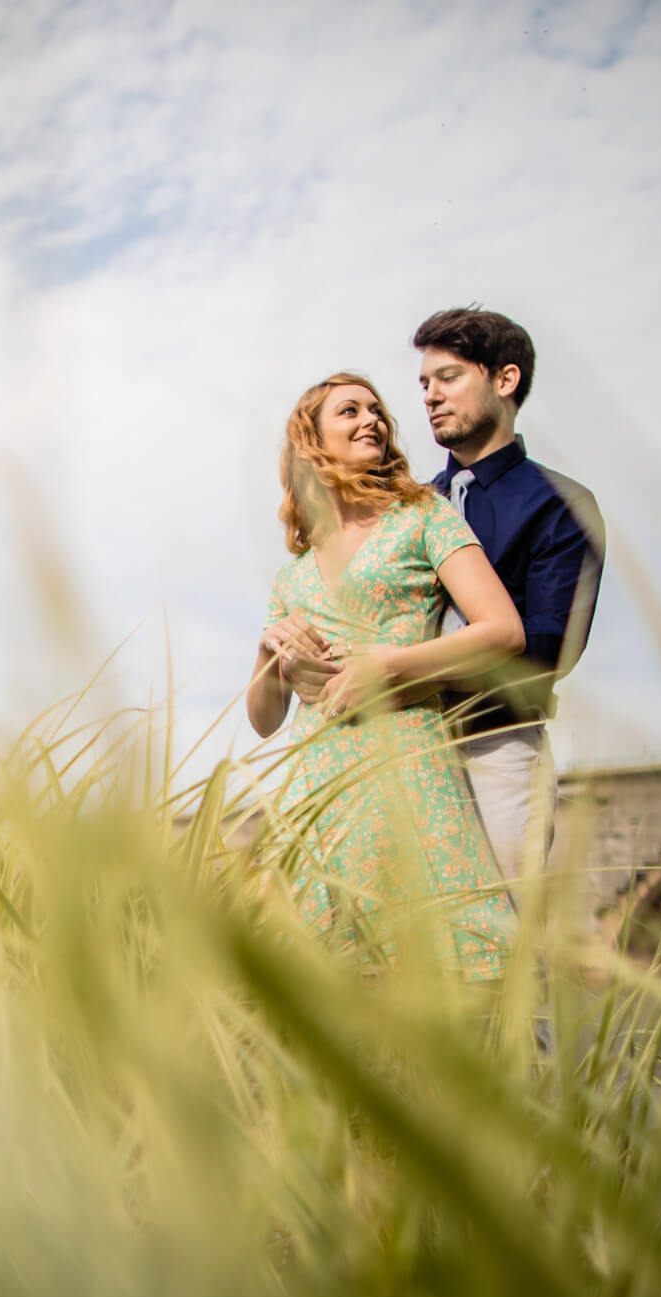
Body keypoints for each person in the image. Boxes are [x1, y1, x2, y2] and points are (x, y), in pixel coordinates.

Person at [247, 373, 526, 982]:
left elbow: (504, 631)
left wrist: (388, 665)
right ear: (311, 441)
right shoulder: (291, 575)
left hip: (407, 763)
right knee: (330, 983)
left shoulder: (423, 517)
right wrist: (268, 650)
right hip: (316, 784)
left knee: (451, 975)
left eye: (376, 410)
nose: (372, 419)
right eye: (350, 411)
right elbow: (266, 720)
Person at [414, 308, 605, 880]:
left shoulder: (562, 503)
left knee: (506, 939)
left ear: (505, 379)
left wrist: (409, 670)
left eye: (448, 377)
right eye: (424, 384)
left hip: (495, 748)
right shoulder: (409, 509)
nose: (429, 396)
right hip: (403, 752)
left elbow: (549, 650)